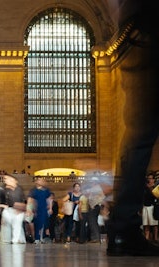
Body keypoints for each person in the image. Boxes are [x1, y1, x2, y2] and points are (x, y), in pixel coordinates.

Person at [105, 1, 159, 257]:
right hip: (146, 27)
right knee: (140, 135)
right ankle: (124, 230)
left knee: (138, 134)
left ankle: (122, 231)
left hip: (134, 30)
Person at [0, 174, 27, 244]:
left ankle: (16, 241)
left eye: (7, 179)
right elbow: (0, 202)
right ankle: (7, 241)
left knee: (17, 227)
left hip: (18, 211)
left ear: (14, 180)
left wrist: (21, 208)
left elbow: (23, 200)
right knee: (6, 228)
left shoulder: (19, 189)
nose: (5, 180)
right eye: (5, 179)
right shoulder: (4, 189)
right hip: (8, 210)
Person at [26, 176, 52, 244]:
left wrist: (50, 208)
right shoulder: (33, 190)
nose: (41, 181)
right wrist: (29, 210)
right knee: (36, 224)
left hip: (44, 209)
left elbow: (49, 199)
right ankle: (36, 238)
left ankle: (42, 238)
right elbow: (30, 200)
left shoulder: (46, 190)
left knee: (43, 223)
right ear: (36, 181)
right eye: (39, 180)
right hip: (36, 209)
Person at [142, 173, 158, 242]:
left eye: (151, 178)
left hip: (152, 207)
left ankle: (155, 238)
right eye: (148, 178)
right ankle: (146, 238)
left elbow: (156, 196)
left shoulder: (156, 187)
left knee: (154, 224)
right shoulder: (144, 187)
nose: (149, 180)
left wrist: (151, 188)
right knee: (146, 225)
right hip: (145, 207)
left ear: (154, 179)